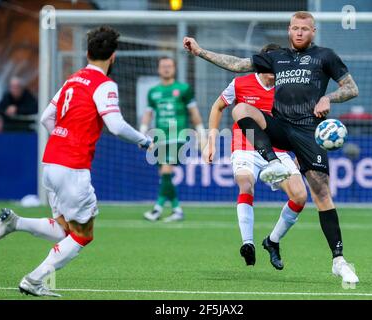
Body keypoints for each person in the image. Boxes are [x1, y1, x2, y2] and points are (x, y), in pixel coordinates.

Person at [183, 11, 360, 285]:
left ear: (313, 31)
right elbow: (238, 64)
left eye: (305, 28)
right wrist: (200, 51)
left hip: (308, 132)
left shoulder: (325, 56)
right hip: (279, 128)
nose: (299, 32)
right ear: (289, 31)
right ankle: (272, 162)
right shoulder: (277, 58)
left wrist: (329, 97)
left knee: (321, 193)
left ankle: (337, 259)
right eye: (295, 28)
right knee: (241, 109)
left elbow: (351, 88)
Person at [0, 26, 153, 297]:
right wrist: (144, 141)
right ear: (113, 57)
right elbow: (116, 125)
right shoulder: (104, 84)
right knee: (83, 235)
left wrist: (64, 138)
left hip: (51, 163)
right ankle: (34, 280)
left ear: (87, 53)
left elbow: (45, 118)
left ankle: (15, 223)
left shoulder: (72, 79)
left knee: (65, 229)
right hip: (73, 168)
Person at [204, 43, 307, 268]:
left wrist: (300, 152)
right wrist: (210, 142)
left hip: (278, 151)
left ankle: (272, 241)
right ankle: (247, 243)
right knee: (245, 182)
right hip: (245, 146)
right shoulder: (240, 83)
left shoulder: (289, 89)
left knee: (300, 196)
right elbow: (217, 107)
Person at [141, 56, 206, 222]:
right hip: (159, 137)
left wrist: (201, 133)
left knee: (166, 169)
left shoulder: (183, 89)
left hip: (178, 136)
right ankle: (176, 209)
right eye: (163, 66)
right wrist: (142, 132)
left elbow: (194, 112)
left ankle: (157, 209)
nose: (166, 69)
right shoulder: (153, 92)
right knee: (164, 174)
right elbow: (148, 114)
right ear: (158, 69)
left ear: (174, 69)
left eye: (169, 66)